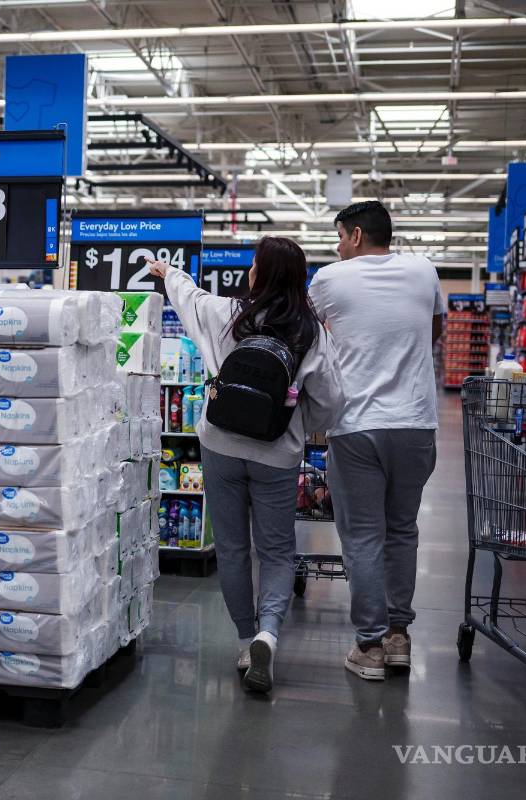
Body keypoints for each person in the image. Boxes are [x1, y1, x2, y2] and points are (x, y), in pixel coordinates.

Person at [148, 237, 344, 693]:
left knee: (234, 550)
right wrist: (293, 425)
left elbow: (190, 298)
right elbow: (333, 401)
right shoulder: (311, 332)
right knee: (275, 550)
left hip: (220, 444)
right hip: (276, 454)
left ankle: (243, 638)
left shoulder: (229, 314)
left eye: (255, 264)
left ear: (261, 273)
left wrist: (167, 273)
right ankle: (267, 634)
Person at [307, 200, 443, 682]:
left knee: (363, 536)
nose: (338, 247)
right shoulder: (425, 271)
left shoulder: (328, 279)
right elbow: (433, 332)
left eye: (341, 237)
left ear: (358, 236)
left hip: (357, 424)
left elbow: (311, 337)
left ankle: (369, 646)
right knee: (401, 529)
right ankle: (398, 636)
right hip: (416, 423)